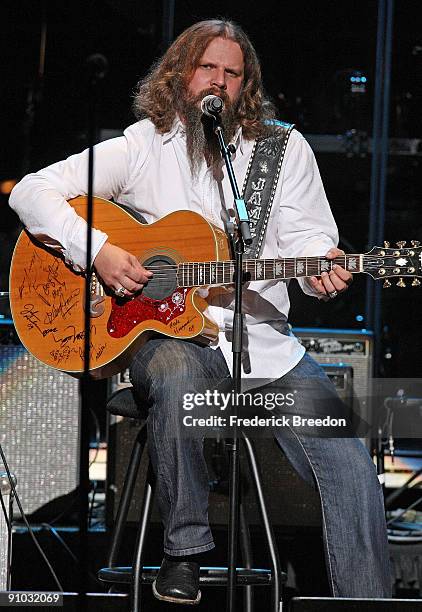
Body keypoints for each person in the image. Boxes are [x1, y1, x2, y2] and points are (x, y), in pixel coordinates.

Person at [10, 19, 391, 605]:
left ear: (247, 85)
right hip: (167, 341)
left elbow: (311, 250)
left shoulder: (281, 151)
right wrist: (103, 252)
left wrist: (324, 274)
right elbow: (29, 191)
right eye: (206, 68)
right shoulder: (143, 145)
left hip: (266, 348)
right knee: (178, 373)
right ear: (180, 75)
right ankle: (184, 552)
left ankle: (368, 602)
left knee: (354, 467)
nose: (218, 82)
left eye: (232, 73)